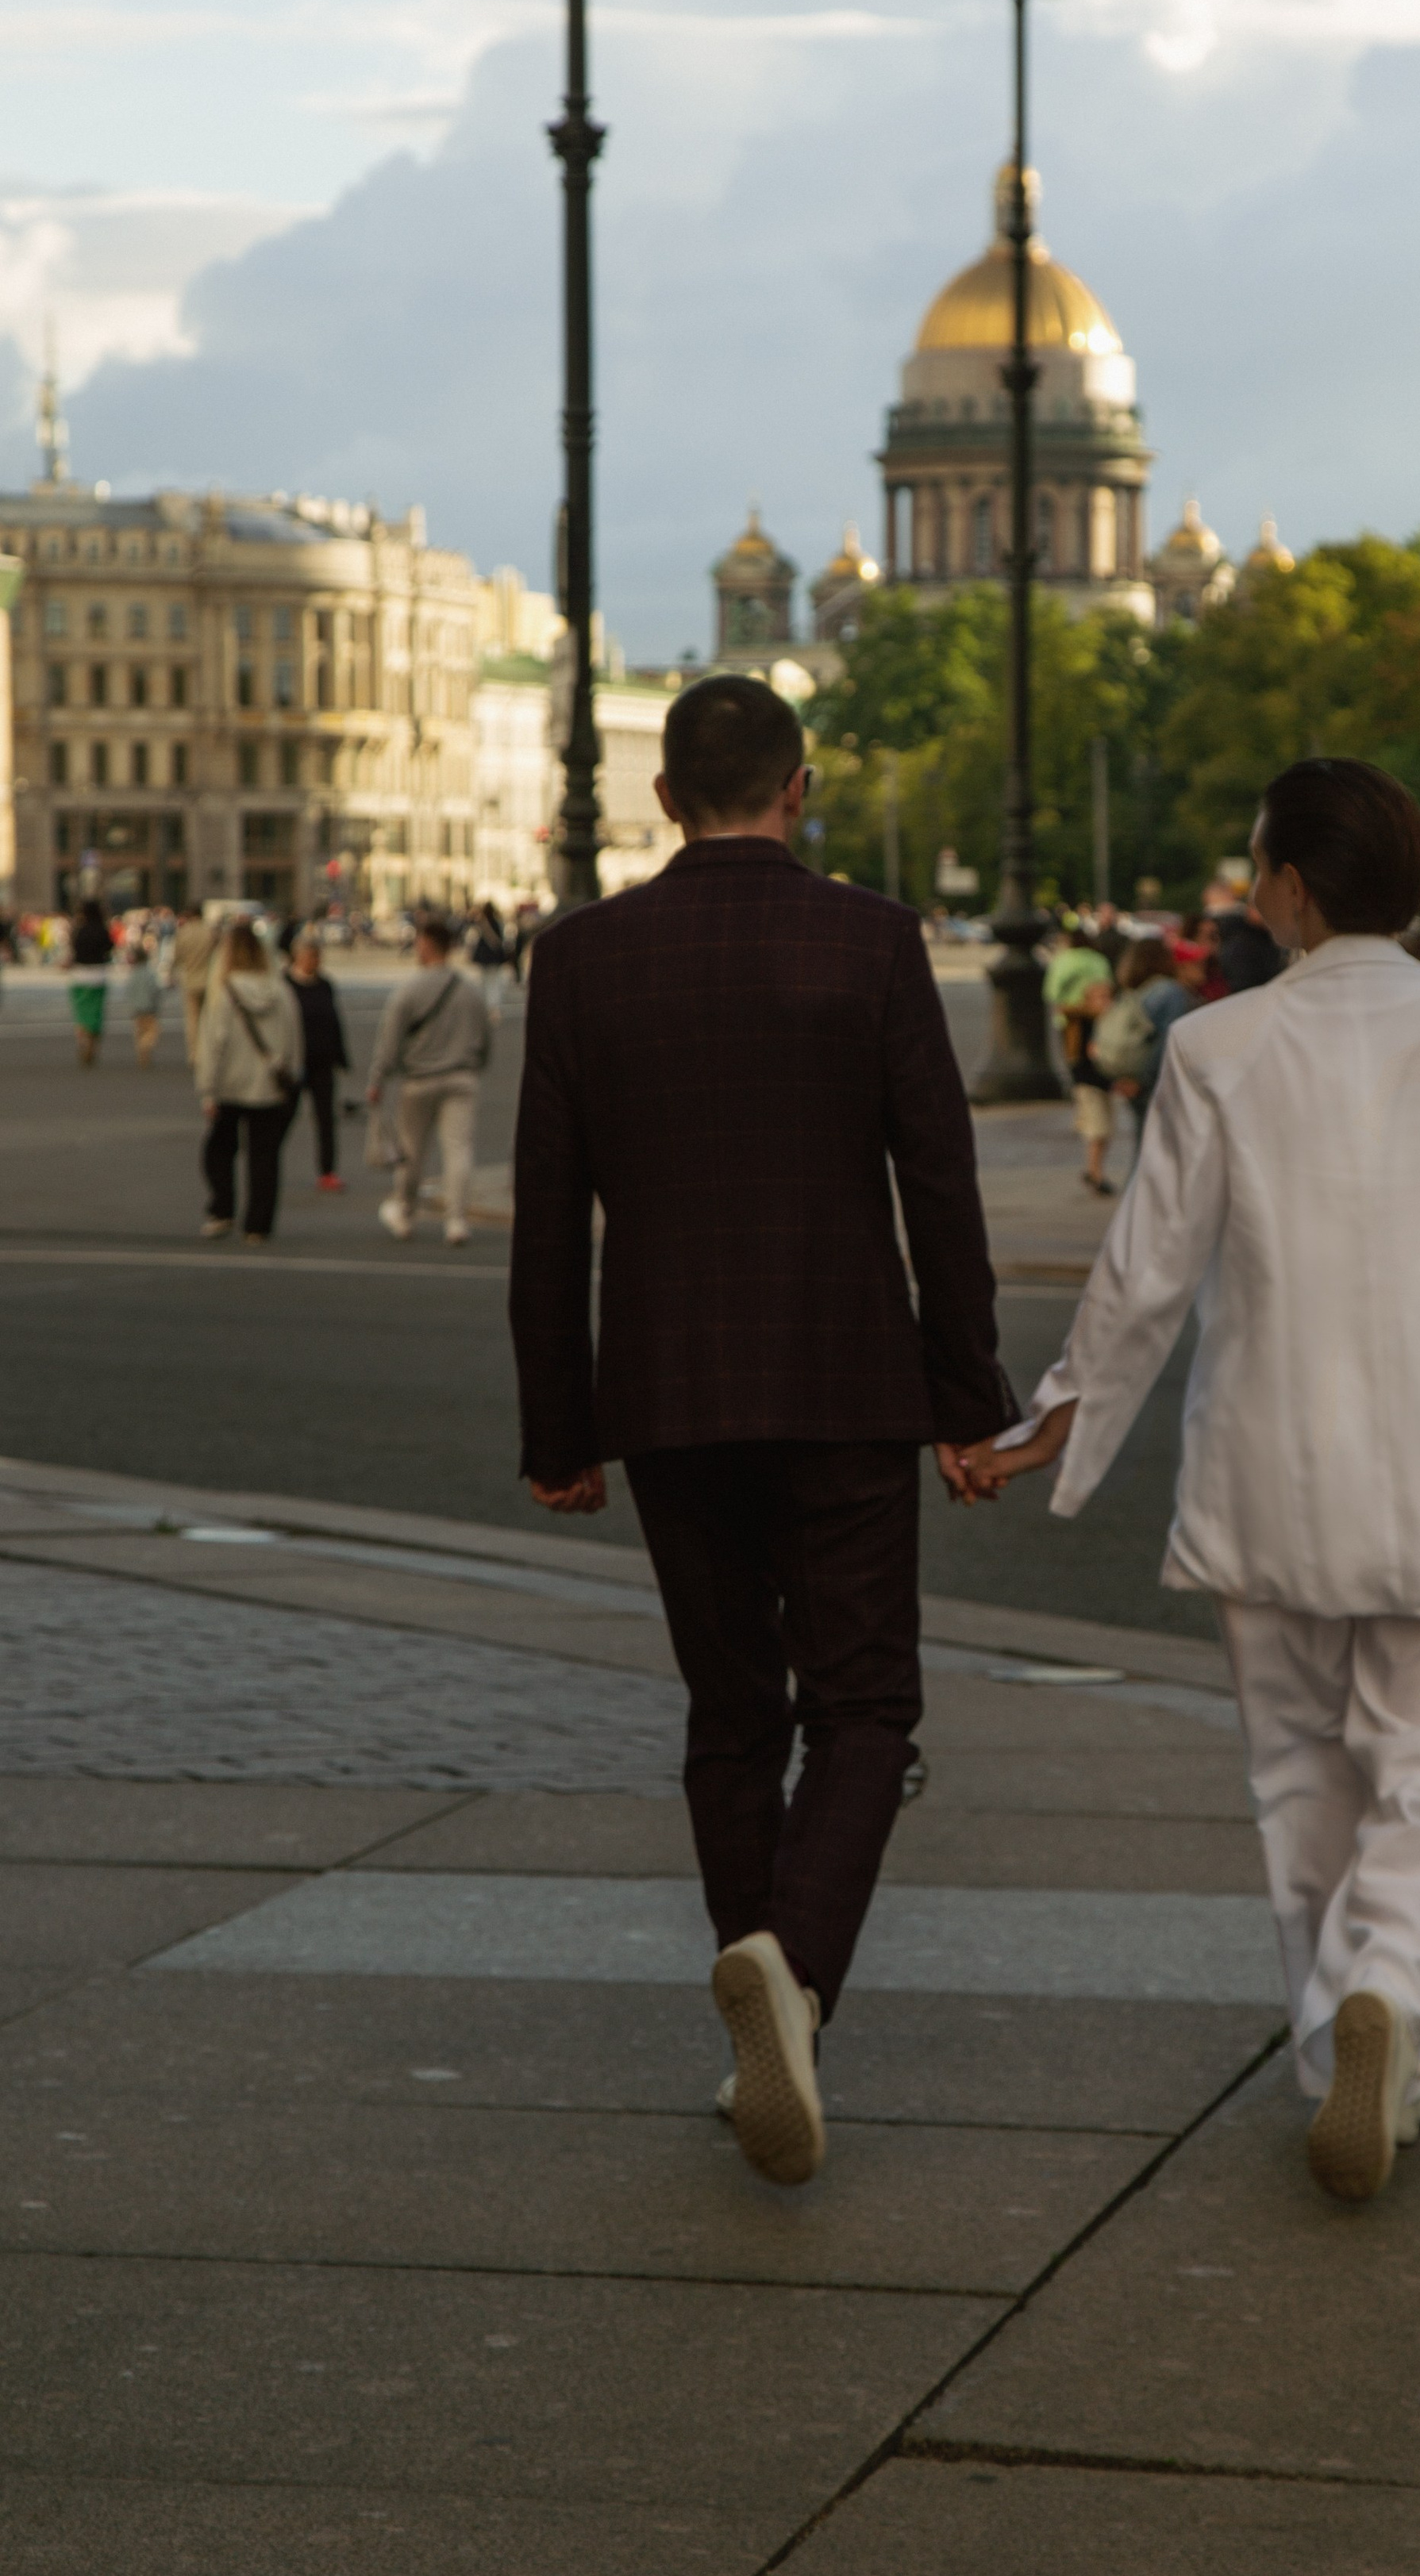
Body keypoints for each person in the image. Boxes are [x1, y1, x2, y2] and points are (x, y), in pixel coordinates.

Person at [963, 757, 1420, 2208]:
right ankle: (1391, 2007)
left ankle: (1335, 2045)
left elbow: (1145, 1274)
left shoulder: (1217, 1050)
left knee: (1297, 1780)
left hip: (1268, 1484)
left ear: (1288, 888)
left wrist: (1056, 1418)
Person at [510, 672, 1013, 2191]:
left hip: (667, 1393)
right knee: (867, 1709)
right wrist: (967, 1398)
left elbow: (549, 1222)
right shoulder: (873, 942)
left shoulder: (582, 957)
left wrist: (560, 1423)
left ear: (664, 799)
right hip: (848, 1385)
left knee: (733, 1715)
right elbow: (941, 1188)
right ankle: (793, 1988)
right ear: (802, 790)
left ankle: (762, 1996)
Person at [367, 914, 490, 1245]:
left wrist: (378, 1078)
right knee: (459, 1151)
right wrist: (477, 1064)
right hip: (461, 1077)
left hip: (420, 1079)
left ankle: (405, 1213)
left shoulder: (409, 990)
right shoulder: (470, 990)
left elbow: (389, 1041)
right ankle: (456, 1221)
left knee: (411, 1153)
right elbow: (485, 1034)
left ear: (425, 946)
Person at [195, 919, 304, 1243]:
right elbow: (294, 1040)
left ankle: (222, 1209)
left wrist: (208, 1089)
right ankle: (258, 1224)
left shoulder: (225, 992)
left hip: (231, 1084)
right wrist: (291, 1075)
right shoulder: (282, 992)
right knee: (265, 1157)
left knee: (218, 1150)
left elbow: (215, 1044)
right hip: (270, 1086)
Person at [1095, 936, 1195, 1149]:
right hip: (1153, 1082)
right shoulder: (1169, 992)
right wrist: (1144, 1081)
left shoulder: (1134, 994)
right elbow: (1168, 1041)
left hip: (1129, 1077)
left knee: (1145, 1148)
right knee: (1155, 1154)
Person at [1044, 927, 1118, 1196]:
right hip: (1092, 1066)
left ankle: (1093, 1170)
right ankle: (1095, 1172)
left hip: (1071, 1021)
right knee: (1101, 1126)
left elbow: (1052, 991)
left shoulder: (1064, 960)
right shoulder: (1098, 961)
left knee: (1102, 1125)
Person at [284, 930, 352, 1191]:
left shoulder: (325, 984)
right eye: (311, 956)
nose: (316, 961)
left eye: (318, 956)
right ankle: (269, 1167)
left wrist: (341, 1056)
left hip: (323, 1062)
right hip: (294, 1063)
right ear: (297, 956)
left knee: (326, 1120)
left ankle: (327, 1171)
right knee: (284, 1117)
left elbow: (335, 1022)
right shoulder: (285, 984)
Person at [66, 898, 114, 1067]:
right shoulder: (102, 929)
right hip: (99, 974)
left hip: (80, 974)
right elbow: (109, 947)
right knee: (96, 1012)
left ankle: (83, 1039)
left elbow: (73, 949)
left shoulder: (79, 930)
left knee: (81, 1012)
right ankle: (93, 1044)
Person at [171, 909, 215, 1066]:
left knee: (192, 1019)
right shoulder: (210, 932)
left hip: (190, 979)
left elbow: (176, 957)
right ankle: (208, 1051)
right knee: (208, 1018)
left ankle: (194, 1053)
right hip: (209, 979)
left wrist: (171, 973)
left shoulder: (184, 933)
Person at [123, 921, 161, 1070]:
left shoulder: (133, 975)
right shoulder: (149, 973)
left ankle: (142, 1052)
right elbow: (156, 989)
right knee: (152, 1033)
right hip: (150, 1008)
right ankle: (146, 1049)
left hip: (137, 1008)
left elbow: (129, 991)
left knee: (139, 1032)